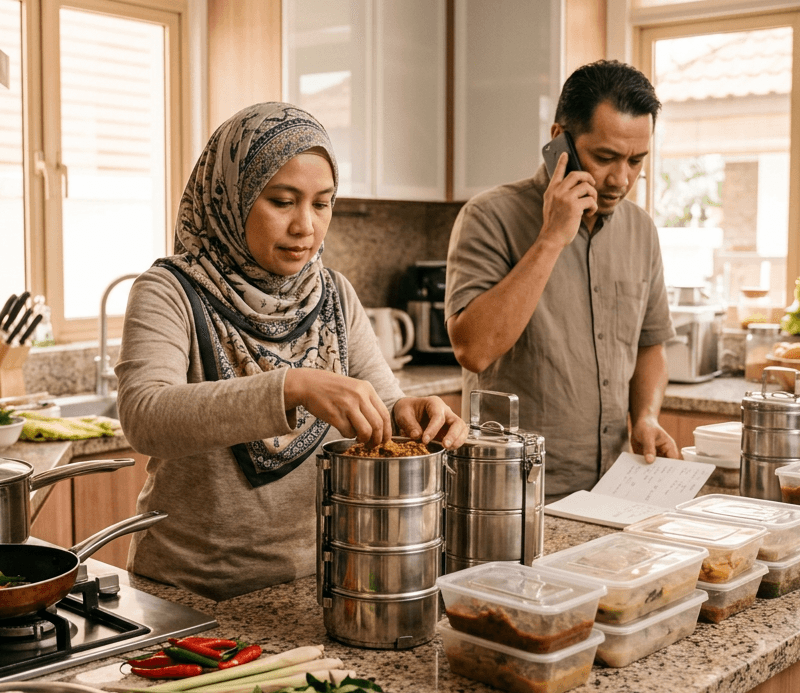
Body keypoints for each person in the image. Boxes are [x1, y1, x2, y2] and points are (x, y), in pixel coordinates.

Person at [117, 102, 468, 601]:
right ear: (231, 198)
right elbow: (145, 416)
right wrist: (293, 385)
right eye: (283, 201)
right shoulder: (168, 290)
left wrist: (411, 413)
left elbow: (383, 400)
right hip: (188, 591)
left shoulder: (333, 293)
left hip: (312, 580)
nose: (306, 225)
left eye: (322, 204)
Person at [445, 60, 678, 500]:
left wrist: (646, 416)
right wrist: (552, 237)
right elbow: (472, 349)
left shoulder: (641, 230)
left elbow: (650, 344)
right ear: (560, 141)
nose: (621, 179)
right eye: (605, 157)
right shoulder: (488, 216)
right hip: (514, 496)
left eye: (636, 160)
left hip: (615, 489)